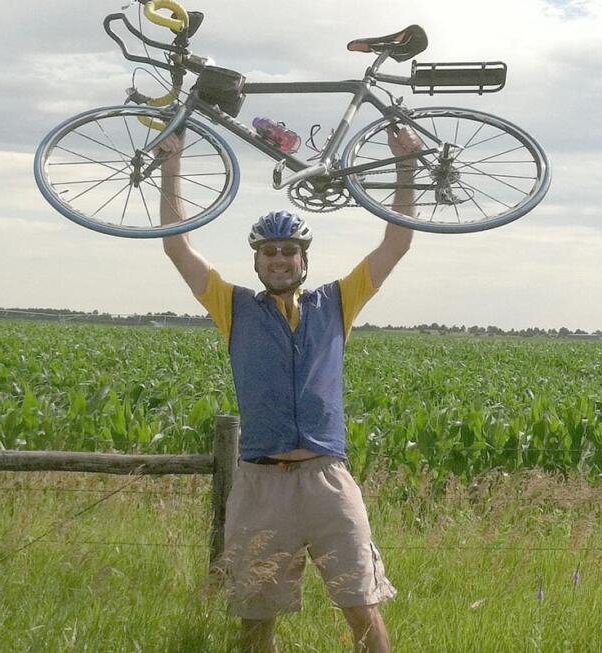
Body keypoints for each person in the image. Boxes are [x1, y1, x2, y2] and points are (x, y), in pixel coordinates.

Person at [157, 126, 420, 653]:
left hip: (327, 478)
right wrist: (172, 162)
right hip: (262, 482)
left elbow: (398, 241)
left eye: (289, 251)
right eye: (269, 252)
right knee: (255, 612)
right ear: (256, 261)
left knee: (361, 605)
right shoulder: (232, 307)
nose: (279, 259)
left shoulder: (337, 303)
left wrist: (406, 166)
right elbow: (176, 243)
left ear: (304, 259)